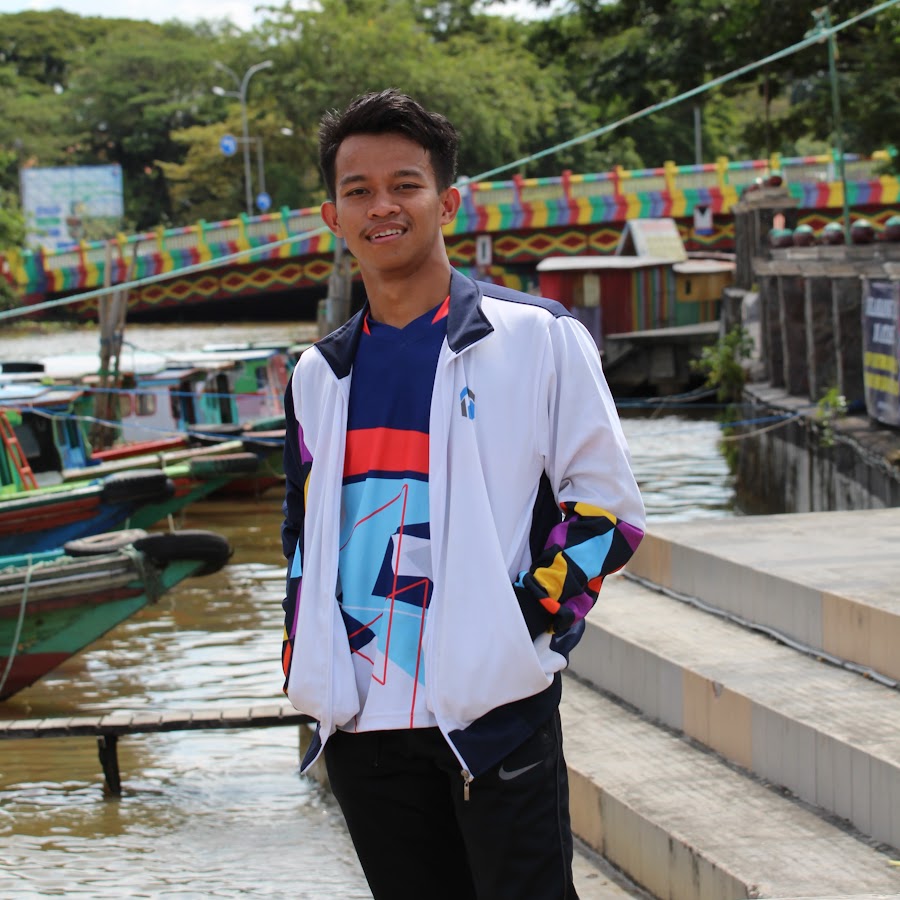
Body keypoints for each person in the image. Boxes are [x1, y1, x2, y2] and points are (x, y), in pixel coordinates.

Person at [281, 88, 645, 900]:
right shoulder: (319, 374)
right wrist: (300, 652)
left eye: (404, 185)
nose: (382, 207)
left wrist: (520, 622)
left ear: (446, 202)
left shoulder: (537, 338)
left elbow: (609, 512)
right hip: (362, 722)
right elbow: (301, 534)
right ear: (333, 217)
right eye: (358, 191)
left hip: (492, 713)